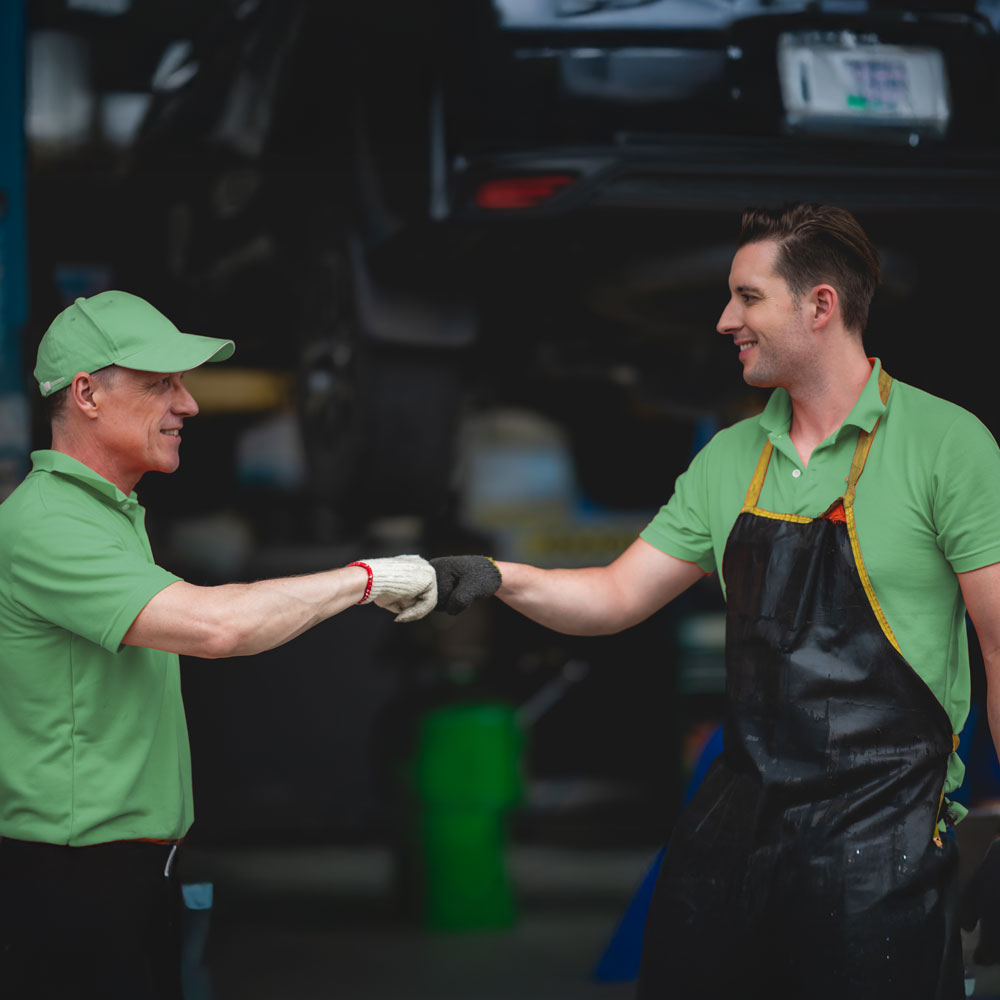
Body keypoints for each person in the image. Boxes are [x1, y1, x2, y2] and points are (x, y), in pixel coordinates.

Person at [430, 202, 1000, 999]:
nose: (726, 320)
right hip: (735, 832)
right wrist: (499, 576)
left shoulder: (946, 445)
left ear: (821, 305)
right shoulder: (729, 459)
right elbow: (615, 595)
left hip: (882, 840)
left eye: (748, 297)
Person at [0, 290, 438, 1000]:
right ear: (85, 394)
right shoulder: (51, 524)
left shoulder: (105, 513)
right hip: (73, 877)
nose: (189, 404)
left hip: (116, 870)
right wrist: (368, 578)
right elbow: (217, 628)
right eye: (160, 384)